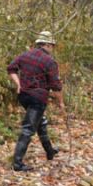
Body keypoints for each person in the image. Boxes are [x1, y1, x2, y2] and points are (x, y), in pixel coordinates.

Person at [7, 31, 64, 171]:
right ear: (47, 45)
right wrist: (61, 103)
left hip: (23, 96)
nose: (52, 48)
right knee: (28, 129)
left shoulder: (25, 55)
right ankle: (17, 163)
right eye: (52, 45)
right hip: (37, 99)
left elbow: (11, 69)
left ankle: (50, 151)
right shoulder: (50, 62)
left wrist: (18, 84)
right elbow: (56, 86)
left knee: (40, 122)